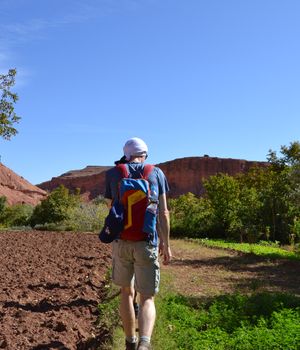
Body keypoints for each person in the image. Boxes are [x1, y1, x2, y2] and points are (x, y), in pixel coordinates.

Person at [105, 137, 172, 350]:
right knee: (147, 298)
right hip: (147, 241)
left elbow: (112, 210)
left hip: (122, 242)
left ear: (126, 154)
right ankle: (144, 343)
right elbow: (163, 212)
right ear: (145, 154)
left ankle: (129, 341)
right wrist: (166, 243)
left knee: (126, 292)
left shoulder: (113, 173)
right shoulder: (157, 173)